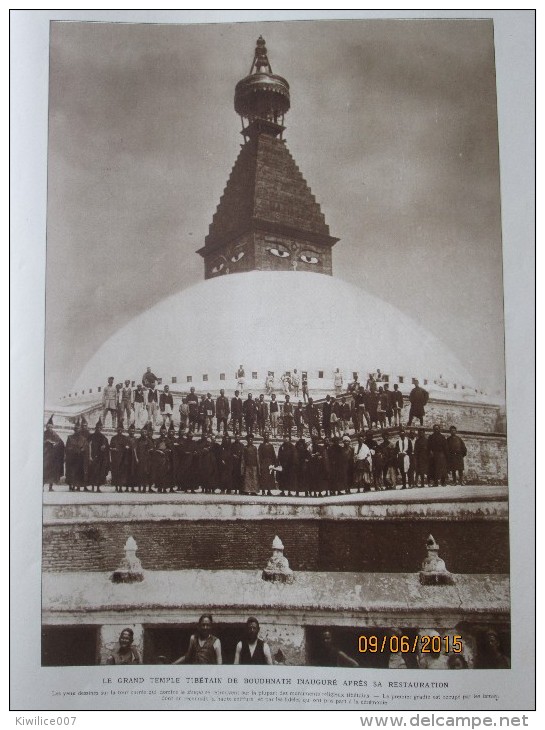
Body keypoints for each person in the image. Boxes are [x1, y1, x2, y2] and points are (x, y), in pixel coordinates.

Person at [65, 420, 89, 491]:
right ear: (74, 430)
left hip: (80, 459)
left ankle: (78, 486)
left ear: (80, 429)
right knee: (72, 472)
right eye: (76, 429)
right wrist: (73, 450)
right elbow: (67, 447)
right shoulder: (70, 438)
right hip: (72, 458)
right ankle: (71, 485)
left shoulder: (83, 439)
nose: (77, 430)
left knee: (79, 472)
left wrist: (83, 449)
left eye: (78, 429)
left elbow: (86, 447)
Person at [88, 418, 109, 492]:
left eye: (100, 428)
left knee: (100, 473)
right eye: (98, 428)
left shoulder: (103, 438)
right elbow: (88, 446)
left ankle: (98, 487)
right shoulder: (91, 436)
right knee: (93, 472)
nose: (99, 429)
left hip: (101, 458)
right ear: (95, 428)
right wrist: (89, 456)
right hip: (93, 457)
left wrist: (104, 447)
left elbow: (106, 448)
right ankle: (93, 487)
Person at [43, 416, 64, 491]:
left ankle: (50, 487)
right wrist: (46, 441)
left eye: (51, 427)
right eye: (48, 427)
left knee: (52, 472)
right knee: (44, 471)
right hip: (45, 456)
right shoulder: (44, 434)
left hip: (52, 456)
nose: (50, 428)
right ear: (46, 427)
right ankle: (41, 487)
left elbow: (60, 442)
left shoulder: (55, 434)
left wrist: (56, 444)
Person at [110, 423, 129, 493]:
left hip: (122, 458)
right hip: (115, 458)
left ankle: (120, 487)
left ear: (123, 430)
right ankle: (116, 487)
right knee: (115, 473)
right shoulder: (113, 438)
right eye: (118, 429)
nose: (120, 430)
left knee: (122, 473)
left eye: (121, 429)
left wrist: (126, 447)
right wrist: (113, 449)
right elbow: (110, 447)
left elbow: (127, 447)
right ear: (117, 430)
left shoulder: (125, 438)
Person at [136, 427, 153, 492]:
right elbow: (135, 450)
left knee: (145, 473)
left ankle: (144, 488)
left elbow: (152, 449)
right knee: (139, 473)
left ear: (146, 433)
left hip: (146, 460)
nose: (143, 433)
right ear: (140, 433)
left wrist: (149, 451)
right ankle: (139, 487)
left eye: (145, 432)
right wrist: (137, 458)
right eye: (142, 432)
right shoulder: (138, 440)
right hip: (140, 459)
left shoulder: (149, 441)